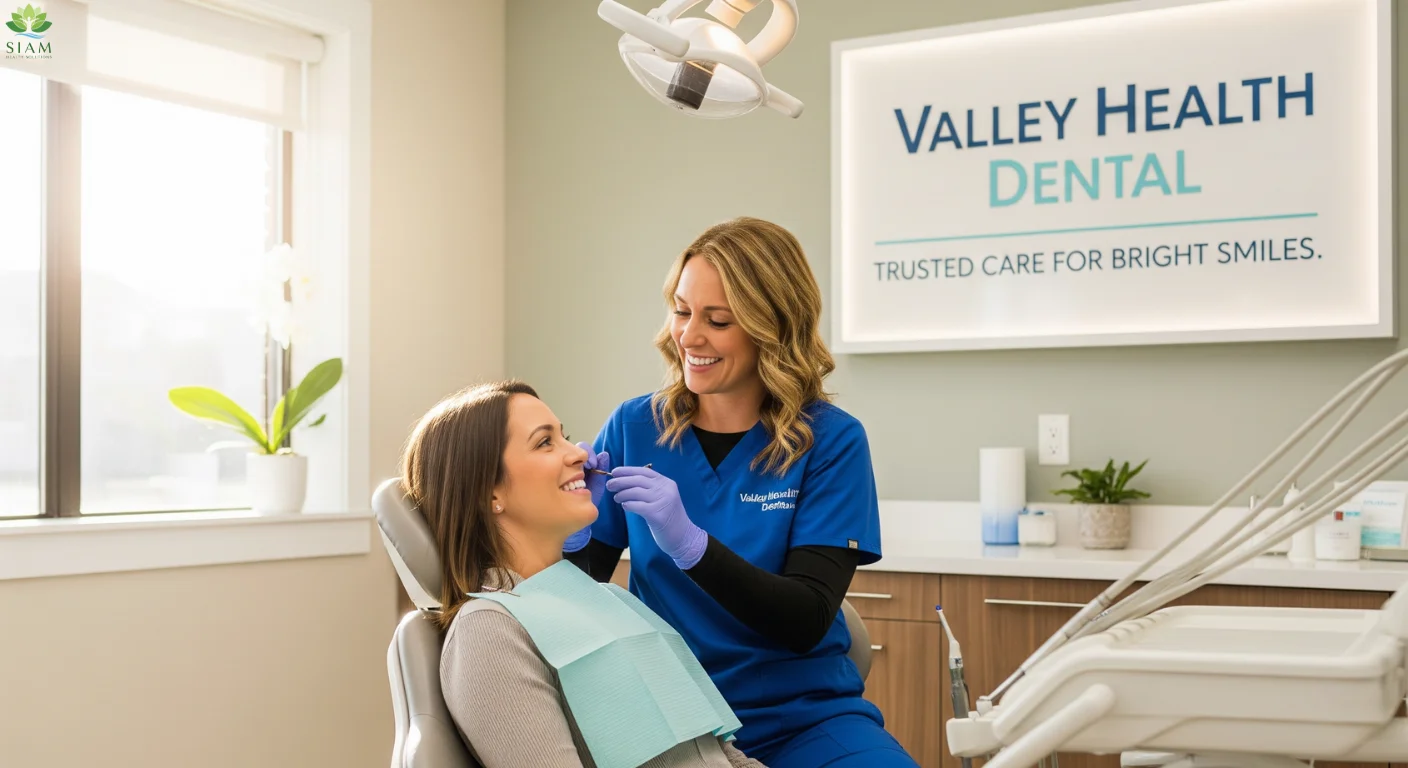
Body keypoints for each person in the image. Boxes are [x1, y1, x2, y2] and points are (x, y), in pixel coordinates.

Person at [566, 217, 918, 768]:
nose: (689, 337)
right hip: (671, 719)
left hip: (804, 719)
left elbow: (805, 621)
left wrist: (692, 546)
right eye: (682, 311)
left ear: (771, 327)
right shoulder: (635, 428)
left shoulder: (830, 440)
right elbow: (576, 603)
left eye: (718, 320)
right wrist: (569, 538)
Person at [401, 380, 767, 768]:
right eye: (545, 442)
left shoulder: (611, 599)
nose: (579, 453)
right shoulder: (489, 629)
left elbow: (722, 755)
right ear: (489, 493)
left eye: (565, 436)